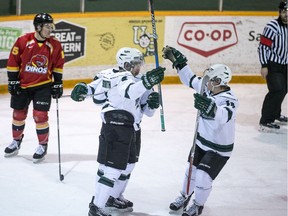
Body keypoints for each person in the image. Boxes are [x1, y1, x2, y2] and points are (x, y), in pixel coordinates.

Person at [70, 47, 165, 216]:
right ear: (126, 64)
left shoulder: (141, 80)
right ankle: (97, 206)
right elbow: (124, 92)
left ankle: (112, 197)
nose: (139, 67)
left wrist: (151, 103)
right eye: (136, 64)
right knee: (110, 168)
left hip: (134, 129)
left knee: (128, 166)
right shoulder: (118, 77)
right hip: (116, 126)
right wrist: (83, 89)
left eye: (140, 63)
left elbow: (147, 111)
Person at [162, 45, 239, 216]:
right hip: (200, 141)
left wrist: (210, 109)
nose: (206, 81)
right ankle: (185, 196)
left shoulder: (230, 99)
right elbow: (189, 79)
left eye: (209, 79)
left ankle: (198, 205)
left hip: (218, 149)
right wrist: (179, 63)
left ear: (218, 81)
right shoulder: (207, 87)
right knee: (191, 172)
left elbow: (224, 115)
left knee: (203, 177)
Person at [4, 13, 65, 163]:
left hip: (43, 86)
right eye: (47, 27)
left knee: (40, 116)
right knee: (18, 115)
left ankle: (42, 145)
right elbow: (13, 61)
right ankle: (16, 141)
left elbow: (58, 65)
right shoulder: (23, 41)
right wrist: (12, 81)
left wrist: (58, 82)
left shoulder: (54, 45)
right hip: (23, 85)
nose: (50, 30)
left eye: (51, 26)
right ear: (38, 27)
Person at [257, 1, 288, 132]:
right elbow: (263, 47)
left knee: (284, 89)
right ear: (280, 12)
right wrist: (264, 65)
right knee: (277, 90)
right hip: (273, 64)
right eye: (284, 11)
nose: (286, 14)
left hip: (286, 65)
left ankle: (275, 114)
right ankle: (265, 121)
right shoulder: (272, 26)